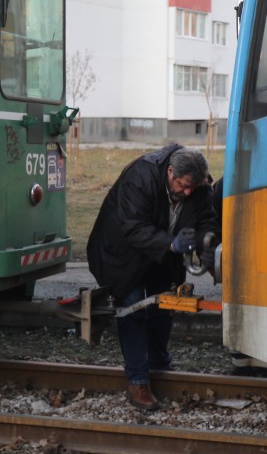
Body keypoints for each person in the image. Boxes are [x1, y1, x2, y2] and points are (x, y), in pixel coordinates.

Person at [87, 144, 217, 410]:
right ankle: (138, 380)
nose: (188, 192)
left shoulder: (199, 186)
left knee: (164, 307)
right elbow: (133, 228)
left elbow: (207, 218)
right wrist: (172, 244)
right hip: (123, 254)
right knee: (132, 309)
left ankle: (159, 364)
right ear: (170, 172)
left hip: (163, 255)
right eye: (183, 186)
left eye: (193, 187)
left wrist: (207, 242)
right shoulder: (141, 177)